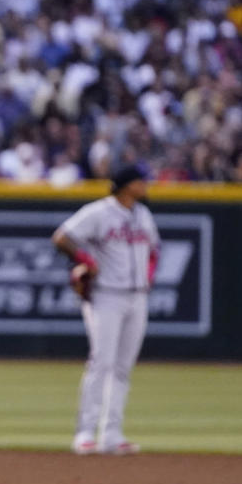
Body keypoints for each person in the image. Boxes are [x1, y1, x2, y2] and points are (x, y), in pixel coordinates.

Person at [51, 165, 160, 455]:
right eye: (140, 181)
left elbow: (154, 250)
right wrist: (87, 259)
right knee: (102, 363)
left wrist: (148, 277)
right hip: (105, 296)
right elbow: (62, 237)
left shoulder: (143, 215)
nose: (145, 185)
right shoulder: (99, 212)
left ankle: (112, 434)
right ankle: (85, 433)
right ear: (126, 185)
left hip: (137, 298)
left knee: (123, 368)